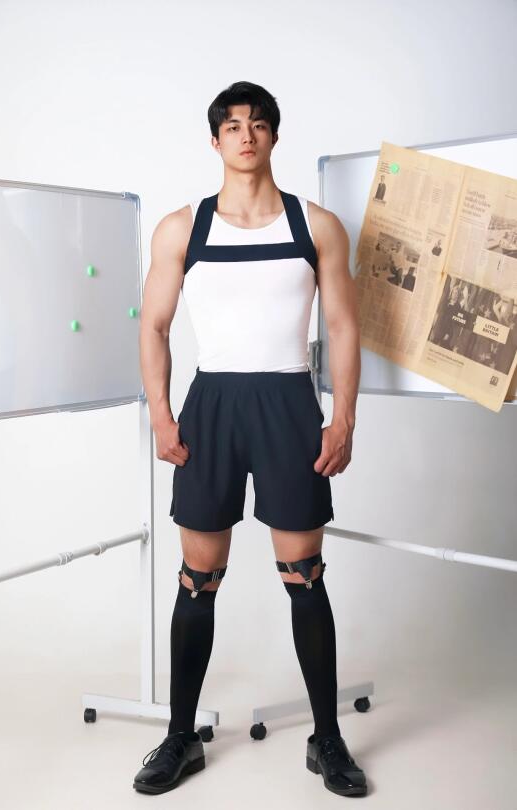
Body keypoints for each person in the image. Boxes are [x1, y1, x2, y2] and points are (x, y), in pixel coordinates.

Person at [134, 80, 366, 798]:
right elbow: (154, 325)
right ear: (215, 140)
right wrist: (162, 414)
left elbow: (342, 326)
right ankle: (180, 738)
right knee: (198, 576)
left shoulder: (315, 224)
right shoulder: (182, 228)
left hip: (289, 401)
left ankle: (327, 740)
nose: (245, 135)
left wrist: (344, 417)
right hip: (214, 404)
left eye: (258, 124)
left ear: (273, 136)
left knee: (305, 574)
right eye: (232, 125)